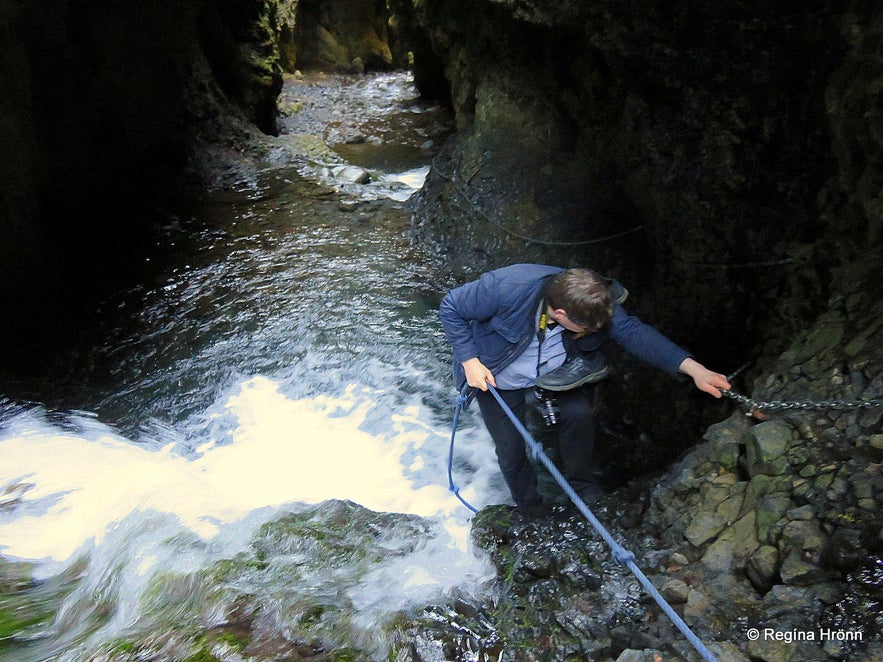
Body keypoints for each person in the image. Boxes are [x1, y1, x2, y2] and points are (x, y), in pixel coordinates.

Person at [439, 263, 730, 512]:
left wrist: (696, 370)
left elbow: (633, 332)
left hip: (559, 372)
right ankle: (529, 506)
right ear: (562, 315)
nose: (595, 330)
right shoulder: (506, 287)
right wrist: (470, 360)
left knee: (579, 416)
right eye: (588, 329)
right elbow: (451, 305)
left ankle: (582, 489)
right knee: (511, 448)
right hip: (497, 376)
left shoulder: (593, 302)